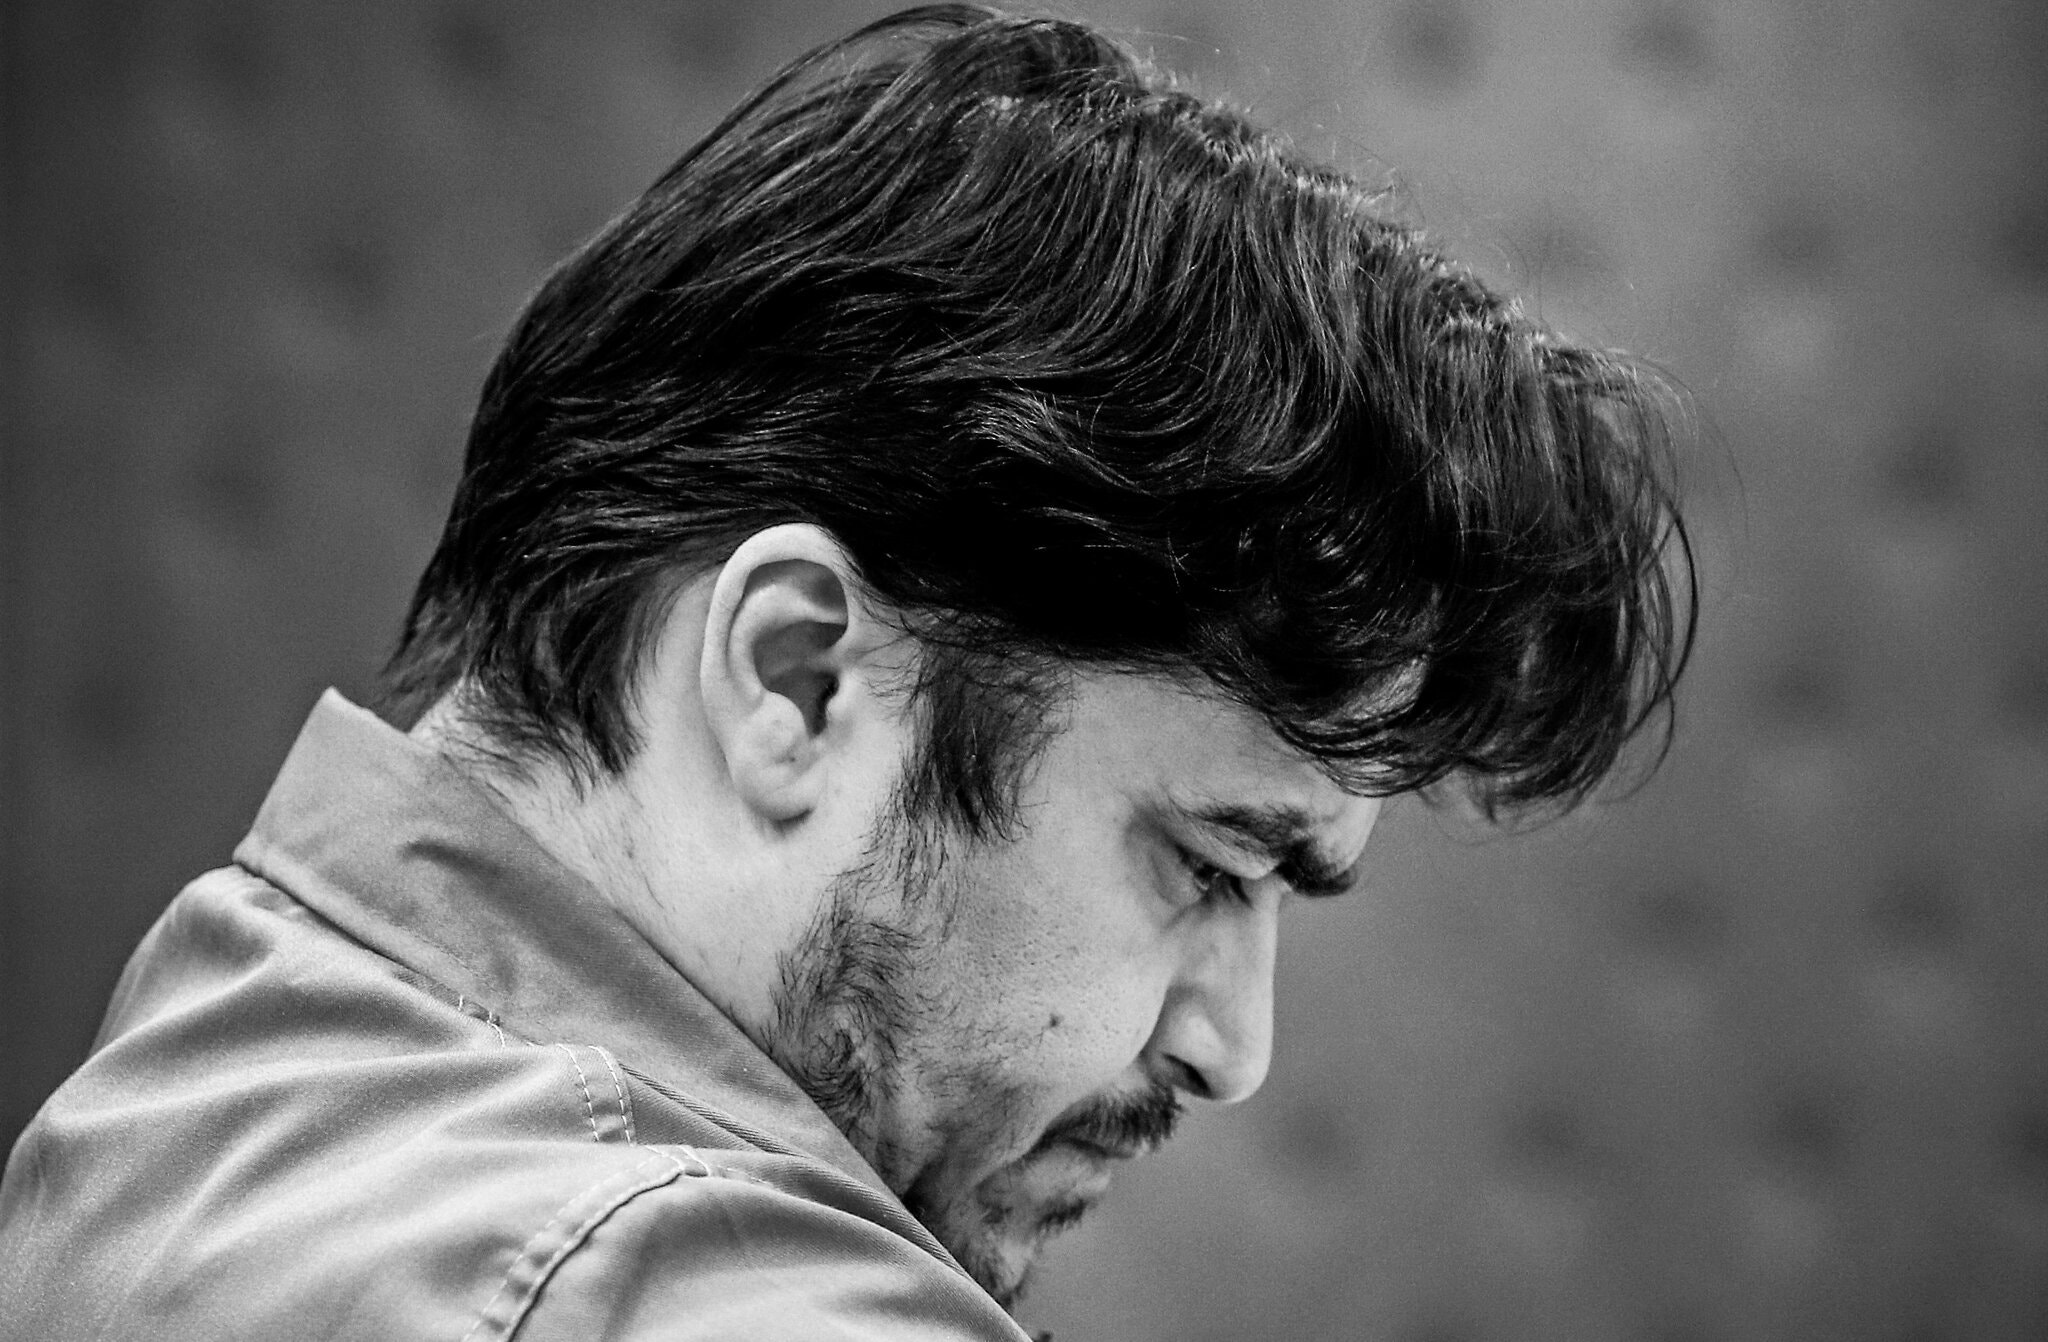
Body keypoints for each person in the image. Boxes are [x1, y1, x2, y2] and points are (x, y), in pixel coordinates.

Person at [0, 5, 1693, 1338]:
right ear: (798, 676)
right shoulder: (679, 1299)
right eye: (1208, 862)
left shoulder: (216, 1085)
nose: (1236, 1046)